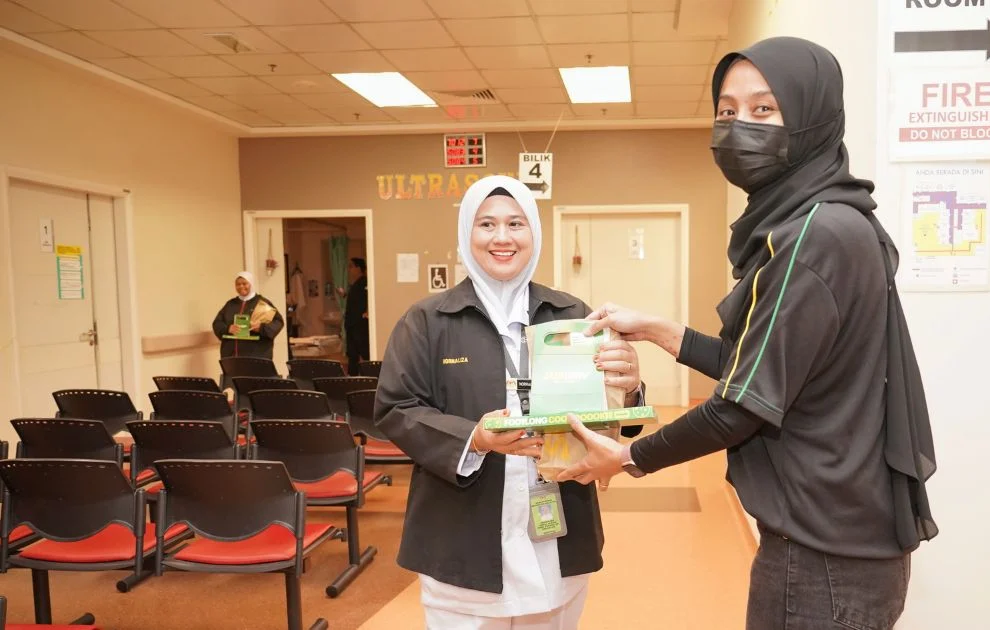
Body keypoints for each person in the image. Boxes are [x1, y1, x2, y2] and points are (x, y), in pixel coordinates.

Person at [557, 37, 938, 630]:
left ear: (812, 117)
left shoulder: (812, 238)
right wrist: (660, 330)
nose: (740, 129)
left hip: (823, 560)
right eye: (727, 111)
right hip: (842, 545)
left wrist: (627, 456)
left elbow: (742, 405)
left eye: (764, 109)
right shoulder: (834, 219)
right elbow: (764, 368)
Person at [374, 175, 645, 629]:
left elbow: (611, 410)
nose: (502, 237)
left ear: (533, 232)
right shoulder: (427, 320)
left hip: (559, 527)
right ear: (466, 233)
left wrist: (630, 385)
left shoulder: (571, 315)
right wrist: (474, 438)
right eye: (487, 224)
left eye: (516, 223)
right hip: (462, 538)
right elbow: (396, 407)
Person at [212, 271, 284, 362]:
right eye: (238, 284)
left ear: (251, 284)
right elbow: (217, 323)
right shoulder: (230, 304)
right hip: (231, 356)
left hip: (256, 356)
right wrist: (228, 329)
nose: (241, 286)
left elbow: (278, 322)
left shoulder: (263, 303)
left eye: (244, 283)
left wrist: (261, 327)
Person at [343, 257, 369, 375]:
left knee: (363, 351)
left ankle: (368, 376)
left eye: (351, 266)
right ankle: (352, 376)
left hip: (359, 324)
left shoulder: (365, 283)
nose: (349, 270)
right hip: (352, 324)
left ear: (358, 268)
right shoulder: (355, 284)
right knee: (352, 353)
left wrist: (367, 312)